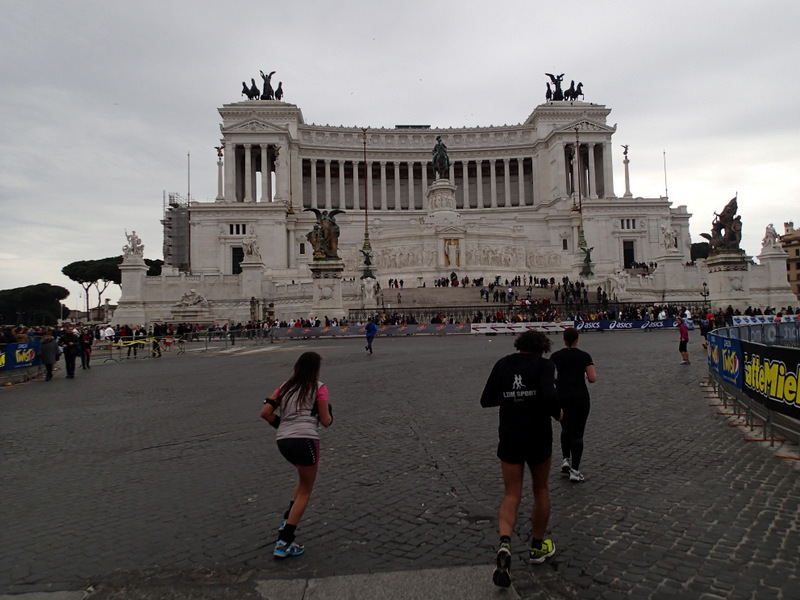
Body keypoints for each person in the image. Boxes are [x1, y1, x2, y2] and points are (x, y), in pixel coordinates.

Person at [480, 331, 562, 588]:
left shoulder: (503, 364)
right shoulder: (545, 365)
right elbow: (549, 396)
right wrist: (557, 412)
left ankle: (505, 543)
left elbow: (486, 400)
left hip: (510, 435)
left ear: (519, 346)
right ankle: (537, 547)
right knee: (540, 488)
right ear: (541, 349)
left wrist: (510, 397)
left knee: (511, 495)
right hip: (538, 436)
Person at [260, 352, 333, 558]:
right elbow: (326, 421)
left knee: (301, 481)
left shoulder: (284, 387)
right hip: (306, 440)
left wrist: (281, 424)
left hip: (283, 441)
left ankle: (286, 520)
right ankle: (285, 541)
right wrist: (329, 412)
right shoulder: (318, 387)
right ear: (315, 369)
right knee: (306, 490)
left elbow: (265, 413)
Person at [550, 327, 597, 483]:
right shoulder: (584, 356)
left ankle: (565, 459)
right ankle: (575, 471)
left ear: (564, 339)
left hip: (562, 396)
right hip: (579, 396)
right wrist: (582, 374)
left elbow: (549, 378)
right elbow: (592, 378)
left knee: (565, 428)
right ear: (577, 339)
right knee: (578, 433)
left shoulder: (556, 356)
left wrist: (559, 381)